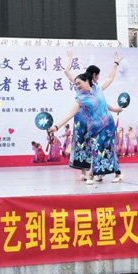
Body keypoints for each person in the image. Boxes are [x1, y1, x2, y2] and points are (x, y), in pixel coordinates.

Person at [49, 72, 122, 184]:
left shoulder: (98, 89)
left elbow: (110, 78)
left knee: (108, 149)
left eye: (79, 83)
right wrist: (56, 126)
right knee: (97, 150)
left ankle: (96, 175)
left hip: (108, 126)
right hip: (95, 129)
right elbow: (69, 115)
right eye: (75, 84)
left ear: (87, 81)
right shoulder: (80, 99)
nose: (77, 86)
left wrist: (116, 64)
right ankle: (110, 173)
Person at [63, 51, 123, 181]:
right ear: (94, 76)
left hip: (93, 121)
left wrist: (114, 109)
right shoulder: (80, 85)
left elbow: (102, 102)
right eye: (98, 76)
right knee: (83, 145)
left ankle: (95, 173)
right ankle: (87, 172)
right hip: (83, 120)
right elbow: (67, 72)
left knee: (95, 146)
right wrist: (69, 58)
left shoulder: (96, 88)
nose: (98, 78)